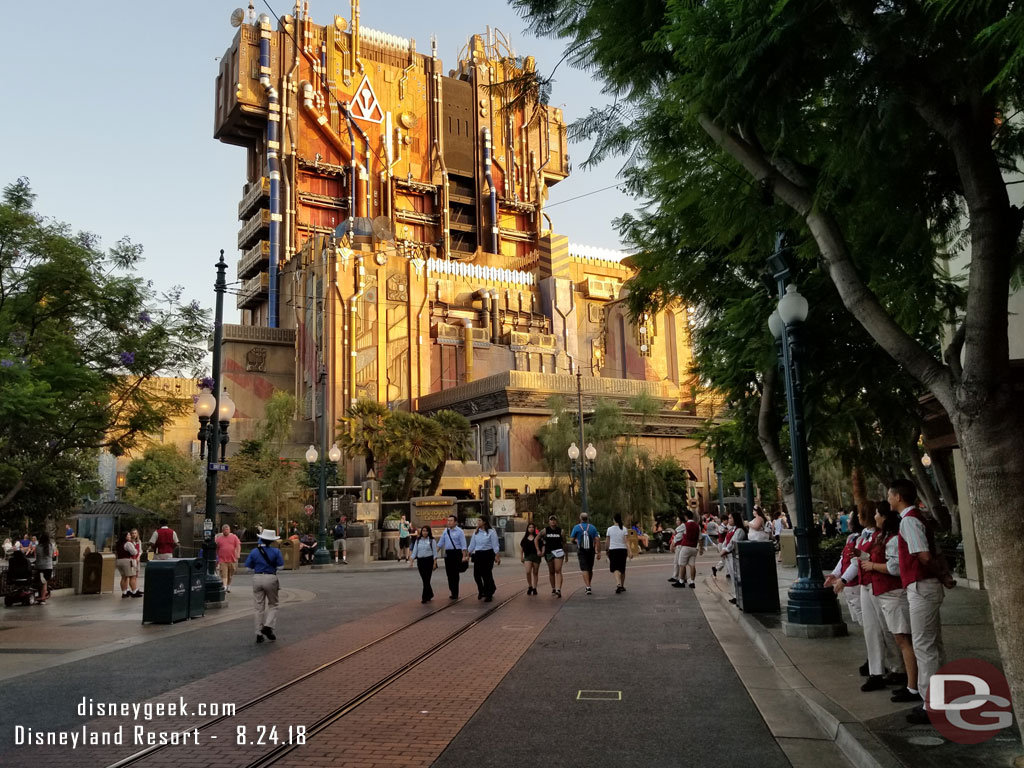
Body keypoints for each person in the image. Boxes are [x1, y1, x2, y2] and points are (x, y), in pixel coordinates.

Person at [889, 478, 955, 724]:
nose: (888, 499)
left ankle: (931, 705)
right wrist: (944, 575)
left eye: (890, 494)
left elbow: (924, 555)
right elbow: (935, 551)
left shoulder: (909, 520)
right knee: (933, 644)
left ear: (897, 497)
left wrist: (939, 574)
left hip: (921, 586)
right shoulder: (919, 518)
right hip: (927, 585)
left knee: (924, 646)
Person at [864, 503, 919, 704]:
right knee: (901, 640)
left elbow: (894, 567)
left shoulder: (893, 539)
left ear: (885, 517)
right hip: (887, 594)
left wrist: (872, 565)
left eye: (877, 513)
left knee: (904, 641)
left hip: (894, 594)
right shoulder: (886, 537)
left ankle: (913, 685)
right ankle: (911, 683)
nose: (875, 517)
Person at [243, 528, 284, 644]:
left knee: (258, 607)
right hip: (270, 577)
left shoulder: (254, 551)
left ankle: (258, 633)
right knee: (273, 604)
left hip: (257, 577)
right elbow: (280, 567)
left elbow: (247, 568)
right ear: (272, 541)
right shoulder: (276, 551)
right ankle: (268, 626)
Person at [467, 515, 500, 602]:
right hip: (478, 554)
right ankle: (481, 590)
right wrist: (468, 553)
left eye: (479, 521)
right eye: (477, 521)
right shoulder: (476, 532)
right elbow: (472, 544)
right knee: (477, 574)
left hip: (488, 554)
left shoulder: (491, 532)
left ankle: (489, 593)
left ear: (484, 522)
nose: (478, 522)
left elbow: (495, 544)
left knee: (486, 574)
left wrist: (497, 555)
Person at [436, 514, 467, 599]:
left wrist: (464, 556)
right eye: (448, 521)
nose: (449, 522)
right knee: (449, 574)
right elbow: (440, 543)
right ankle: (452, 590)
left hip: (457, 553)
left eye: (451, 521)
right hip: (448, 554)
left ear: (455, 522)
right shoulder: (446, 531)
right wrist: (434, 554)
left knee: (455, 574)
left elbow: (463, 545)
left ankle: (455, 592)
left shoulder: (459, 531)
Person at [720, 511, 747, 603]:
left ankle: (739, 596)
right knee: (732, 576)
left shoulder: (739, 530)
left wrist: (725, 550)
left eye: (731, 518)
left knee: (736, 576)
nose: (729, 520)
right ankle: (736, 595)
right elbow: (726, 541)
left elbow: (733, 542)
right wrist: (724, 549)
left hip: (734, 555)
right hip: (729, 555)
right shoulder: (732, 529)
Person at [570, 512, 601, 595]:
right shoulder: (592, 528)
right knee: (590, 568)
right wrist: (598, 552)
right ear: (587, 519)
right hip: (591, 550)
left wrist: (576, 540)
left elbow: (571, 539)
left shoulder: (576, 527)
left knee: (584, 568)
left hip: (582, 550)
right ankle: (589, 584)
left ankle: (588, 586)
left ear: (580, 518)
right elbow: (597, 539)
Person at [671, 511, 700, 588]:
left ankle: (681, 581)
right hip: (694, 547)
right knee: (692, 565)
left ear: (686, 517)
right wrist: (701, 548)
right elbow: (700, 538)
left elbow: (675, 531)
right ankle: (692, 581)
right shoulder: (697, 526)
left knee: (682, 564)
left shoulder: (685, 525)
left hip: (686, 546)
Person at [409, 526, 438, 603]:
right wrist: (411, 561)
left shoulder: (432, 540)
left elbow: (435, 553)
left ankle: (424, 597)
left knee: (427, 579)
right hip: (420, 561)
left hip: (429, 561)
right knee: (424, 579)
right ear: (421, 532)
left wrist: (434, 563)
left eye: (426, 531)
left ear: (429, 532)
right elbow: (414, 551)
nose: (425, 532)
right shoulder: (418, 540)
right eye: (423, 531)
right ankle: (430, 594)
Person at [605, 513, 630, 593]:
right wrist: (630, 551)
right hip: (623, 550)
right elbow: (626, 541)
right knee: (622, 568)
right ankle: (622, 585)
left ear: (614, 520)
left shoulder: (609, 529)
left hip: (613, 550)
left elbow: (607, 541)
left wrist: (606, 549)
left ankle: (618, 583)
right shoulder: (624, 529)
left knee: (615, 567)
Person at [543, 515, 566, 598]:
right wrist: (540, 549)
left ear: (556, 521)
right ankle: (553, 587)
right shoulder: (545, 530)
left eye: (554, 520)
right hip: (549, 553)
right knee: (551, 571)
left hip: (558, 552)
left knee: (558, 570)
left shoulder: (560, 531)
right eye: (551, 520)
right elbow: (537, 539)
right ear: (549, 521)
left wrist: (566, 555)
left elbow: (564, 542)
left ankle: (558, 589)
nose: (553, 522)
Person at [115, 530, 141, 599]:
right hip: (127, 561)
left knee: (124, 577)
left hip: (119, 560)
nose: (130, 536)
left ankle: (124, 592)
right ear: (125, 537)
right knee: (132, 576)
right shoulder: (128, 543)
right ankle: (134, 591)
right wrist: (135, 549)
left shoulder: (118, 543)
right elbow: (134, 552)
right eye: (128, 535)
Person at [215, 524, 241, 593]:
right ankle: (225, 587)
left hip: (232, 559)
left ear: (229, 530)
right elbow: (216, 549)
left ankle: (228, 585)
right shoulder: (219, 539)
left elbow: (238, 545)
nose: (226, 531)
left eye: (227, 530)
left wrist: (238, 554)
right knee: (224, 574)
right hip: (222, 559)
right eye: (224, 530)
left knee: (230, 574)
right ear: (222, 531)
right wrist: (217, 557)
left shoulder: (234, 537)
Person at [520, 522, 543, 595]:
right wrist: (521, 556)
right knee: (528, 571)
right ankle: (530, 586)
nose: (531, 528)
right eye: (529, 527)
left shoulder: (537, 537)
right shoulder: (524, 538)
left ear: (534, 528)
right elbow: (522, 548)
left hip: (536, 556)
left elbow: (542, 546)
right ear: (527, 528)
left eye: (532, 527)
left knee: (535, 572)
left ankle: (535, 588)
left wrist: (542, 553)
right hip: (527, 556)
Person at [33, 533, 54, 603]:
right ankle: (43, 598)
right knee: (45, 582)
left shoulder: (37, 547)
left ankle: (39, 595)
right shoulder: (50, 546)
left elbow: (36, 556)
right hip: (48, 567)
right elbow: (52, 555)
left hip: (39, 566)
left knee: (40, 582)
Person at [130, 529, 143, 596]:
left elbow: (140, 551)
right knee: (133, 575)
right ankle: (133, 590)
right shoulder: (130, 542)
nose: (134, 534)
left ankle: (136, 588)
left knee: (136, 574)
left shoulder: (139, 541)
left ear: (137, 534)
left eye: (135, 533)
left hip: (137, 559)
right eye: (132, 533)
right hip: (132, 560)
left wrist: (139, 557)